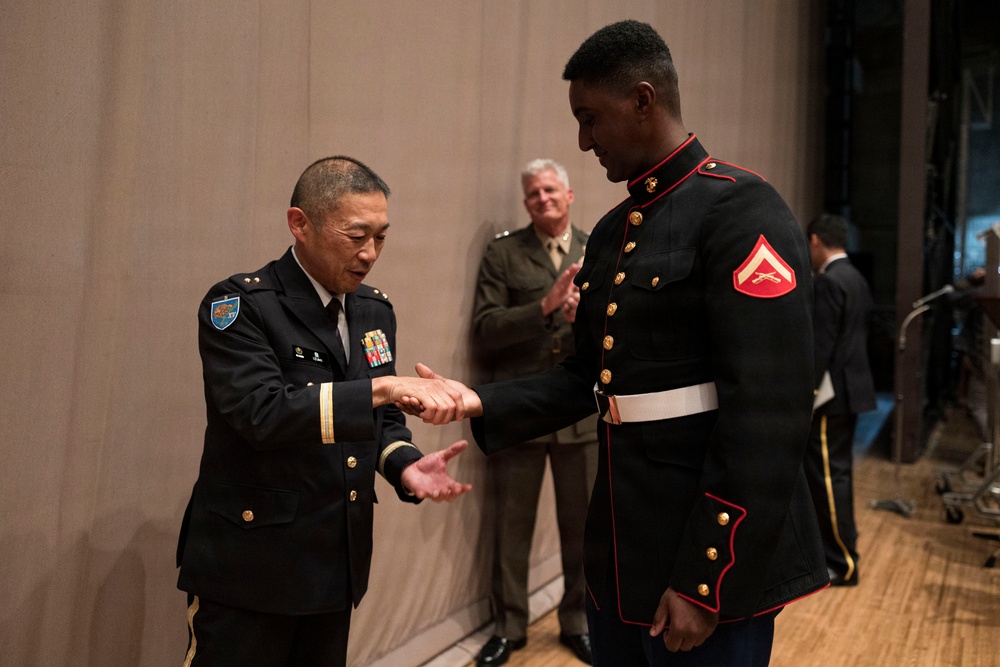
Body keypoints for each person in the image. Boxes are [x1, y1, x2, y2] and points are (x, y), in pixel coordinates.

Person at [404, 20, 828, 666]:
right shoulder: (611, 233)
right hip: (622, 557)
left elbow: (769, 415)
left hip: (702, 558)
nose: (583, 140)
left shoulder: (743, 211)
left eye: (590, 118)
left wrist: (705, 580)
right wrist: (477, 400)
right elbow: (589, 378)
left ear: (642, 100)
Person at [175, 156, 471, 667]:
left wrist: (405, 464)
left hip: (333, 564)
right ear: (300, 224)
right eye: (356, 236)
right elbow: (261, 413)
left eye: (381, 237)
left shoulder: (373, 310)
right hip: (250, 568)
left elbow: (380, 420)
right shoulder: (243, 305)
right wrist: (381, 388)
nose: (370, 253)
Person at [471, 159, 598, 666]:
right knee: (511, 529)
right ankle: (509, 627)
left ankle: (580, 621)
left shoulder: (598, 248)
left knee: (585, 529)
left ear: (569, 195)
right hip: (521, 407)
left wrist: (583, 316)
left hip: (580, 412)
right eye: (532, 194)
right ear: (525, 203)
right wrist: (544, 307)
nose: (541, 199)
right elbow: (485, 329)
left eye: (549, 190)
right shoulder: (503, 253)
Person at [805, 213, 876, 588]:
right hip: (852, 390)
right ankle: (837, 554)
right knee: (835, 475)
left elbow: (821, 347)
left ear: (816, 240)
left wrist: (807, 394)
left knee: (830, 479)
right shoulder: (855, 277)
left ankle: (843, 562)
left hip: (832, 396)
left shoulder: (829, 281)